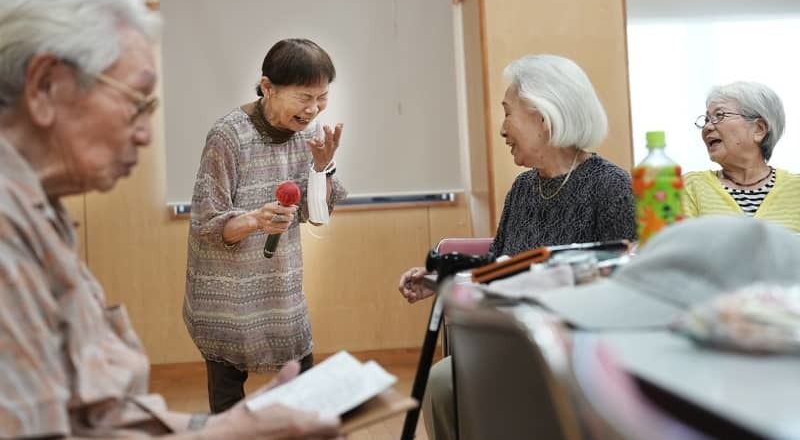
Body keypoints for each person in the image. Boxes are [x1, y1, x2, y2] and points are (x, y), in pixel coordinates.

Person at [0, 0, 341, 438]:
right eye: (136, 102)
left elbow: (94, 415)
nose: (144, 135)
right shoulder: (8, 230)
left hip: (280, 294)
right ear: (44, 87)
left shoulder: (41, 212)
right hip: (228, 300)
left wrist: (220, 429)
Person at [398, 54, 636, 440]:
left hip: (575, 349)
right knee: (442, 381)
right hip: (512, 340)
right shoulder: (524, 188)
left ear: (544, 118)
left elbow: (625, 278)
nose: (502, 128)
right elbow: (498, 266)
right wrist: (436, 281)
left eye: (508, 113)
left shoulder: (610, 186)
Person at [183, 38, 347, 413]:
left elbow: (317, 213)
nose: (314, 108)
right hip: (226, 291)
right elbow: (208, 223)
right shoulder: (228, 135)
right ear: (267, 87)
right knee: (228, 402)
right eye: (305, 97)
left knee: (301, 384)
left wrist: (324, 167)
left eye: (322, 97)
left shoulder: (310, 134)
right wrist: (256, 220)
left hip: (280, 285)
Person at [684, 81, 800, 232]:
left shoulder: (796, 189)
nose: (707, 127)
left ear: (759, 129)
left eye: (719, 116)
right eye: (706, 119)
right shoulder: (690, 186)